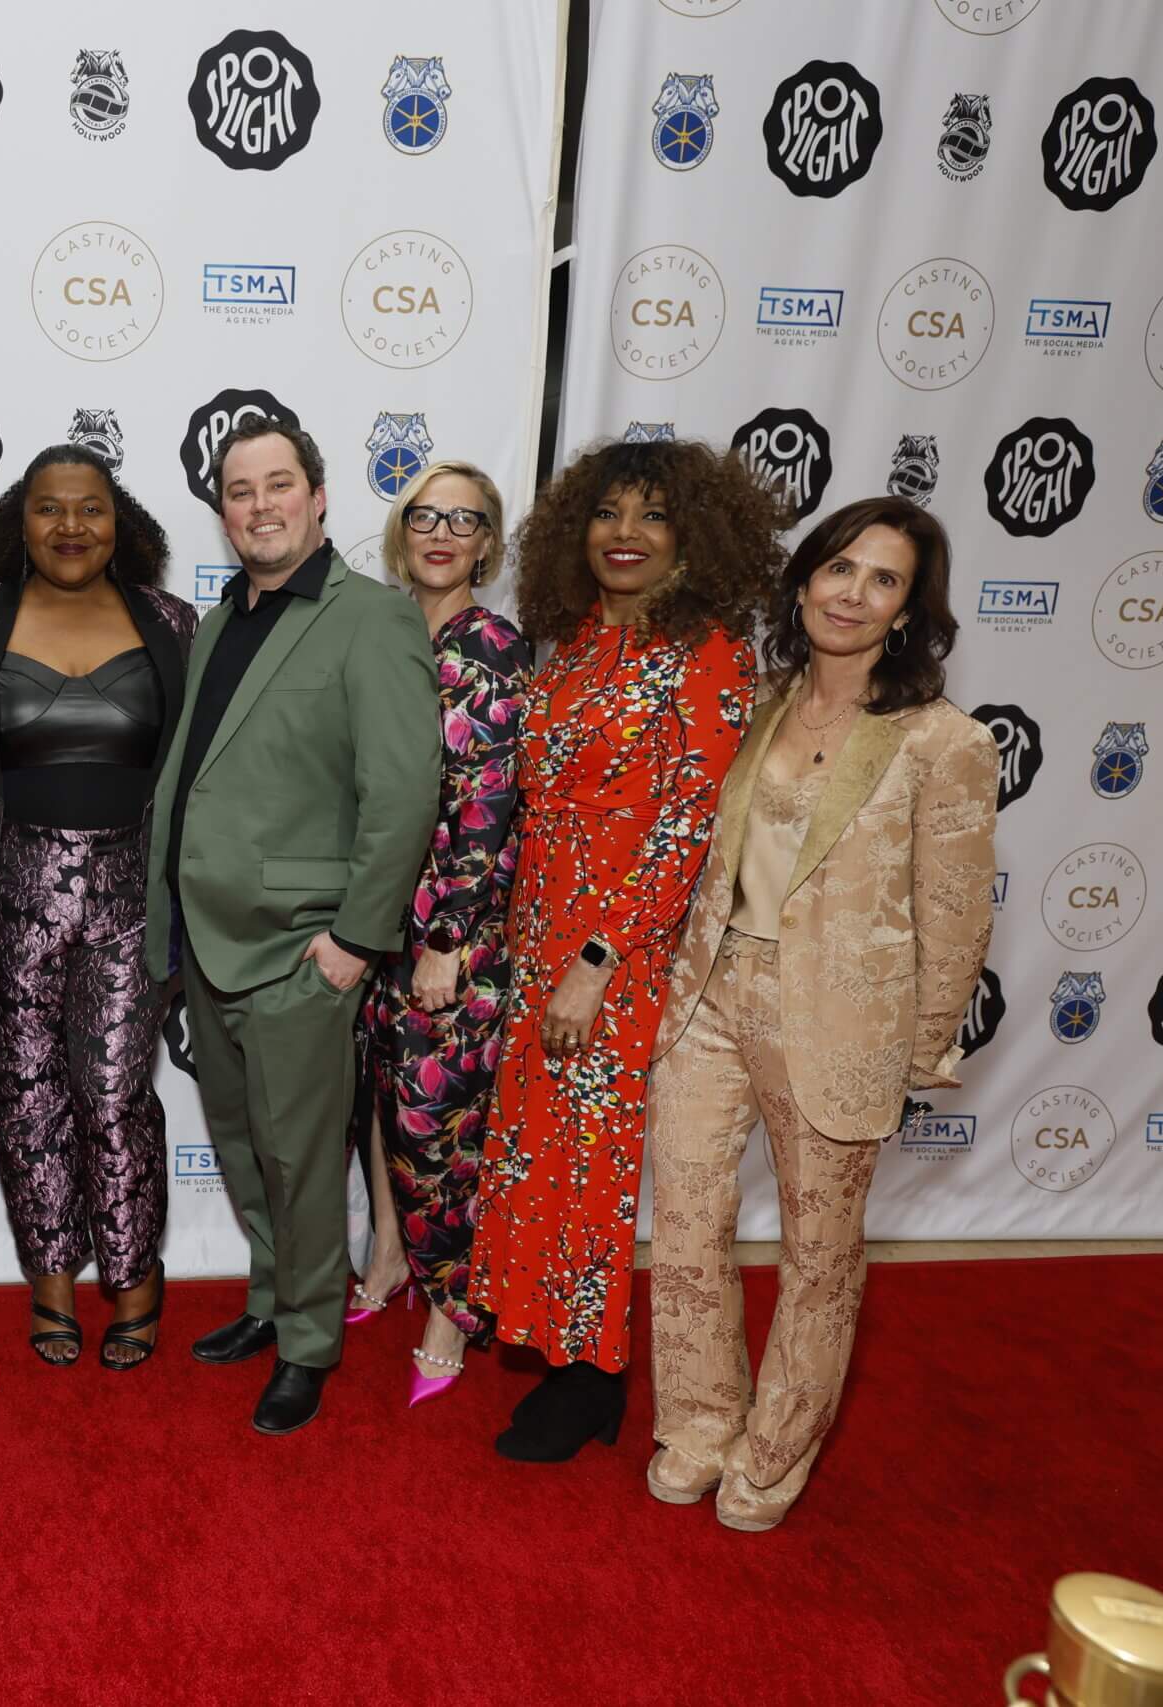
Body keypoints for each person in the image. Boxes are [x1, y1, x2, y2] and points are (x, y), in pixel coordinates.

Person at [646, 495, 995, 1531]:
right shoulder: (750, 701)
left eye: (881, 580)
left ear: (905, 612)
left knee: (819, 1251)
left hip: (840, 1020)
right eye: (838, 569)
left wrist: (917, 1045)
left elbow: (954, 910)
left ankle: (776, 1449)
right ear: (802, 582)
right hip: (712, 995)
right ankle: (702, 1424)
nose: (852, 594)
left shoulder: (942, 741)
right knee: (688, 1223)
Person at [466, 435, 788, 1462]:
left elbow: (686, 829)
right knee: (537, 1155)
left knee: (589, 1168)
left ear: (693, 539)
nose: (626, 535)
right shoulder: (569, 646)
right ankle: (560, 1350)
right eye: (608, 514)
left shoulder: (708, 658)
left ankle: (592, 1380)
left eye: (652, 516)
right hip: (538, 934)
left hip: (615, 949)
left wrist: (596, 960)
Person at [144, 418, 440, 1435]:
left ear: (318, 498)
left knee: (304, 1157)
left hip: (299, 947)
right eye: (239, 490)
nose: (259, 505)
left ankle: (312, 1339)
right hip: (207, 941)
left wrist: (354, 942)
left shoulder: (373, 620)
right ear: (221, 510)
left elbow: (402, 792)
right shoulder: (222, 619)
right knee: (240, 1144)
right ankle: (271, 1300)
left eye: (278, 485)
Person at [0, 446, 197, 1370]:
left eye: (91, 508)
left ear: (120, 520)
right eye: (50, 508)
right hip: (9, 893)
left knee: (116, 1090)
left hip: (132, 891)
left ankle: (133, 1275)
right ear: (20, 520)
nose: (71, 526)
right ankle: (50, 1278)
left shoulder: (169, 618)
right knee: (24, 1092)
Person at [344, 461, 529, 1406]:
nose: (444, 530)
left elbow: (488, 805)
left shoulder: (490, 645)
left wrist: (449, 940)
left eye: (466, 518)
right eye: (427, 514)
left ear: (490, 543)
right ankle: (386, 1254)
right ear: (402, 529)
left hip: (446, 935)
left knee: (439, 1128)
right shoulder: (380, 630)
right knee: (377, 1104)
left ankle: (449, 1306)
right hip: (370, 916)